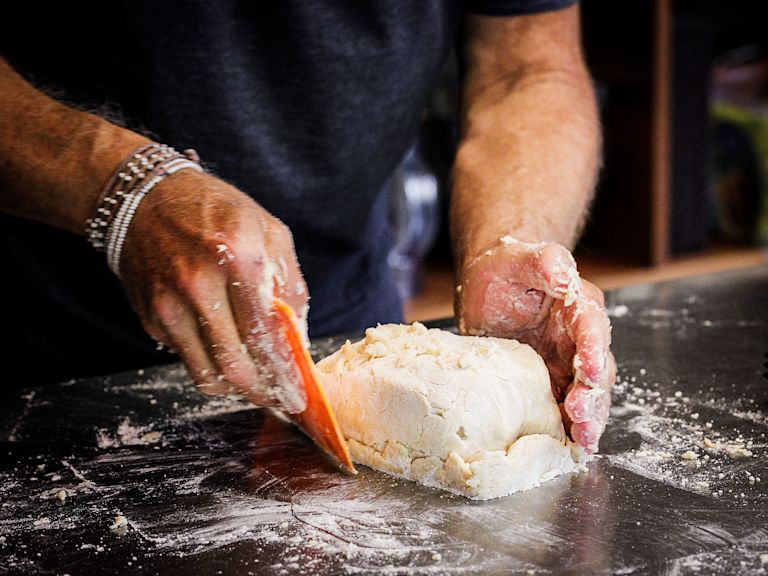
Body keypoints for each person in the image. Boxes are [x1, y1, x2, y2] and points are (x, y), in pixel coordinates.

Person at [0, 1, 614, 452]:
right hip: (45, 362)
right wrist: (119, 185)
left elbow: (526, 69)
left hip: (346, 347)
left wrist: (508, 240)